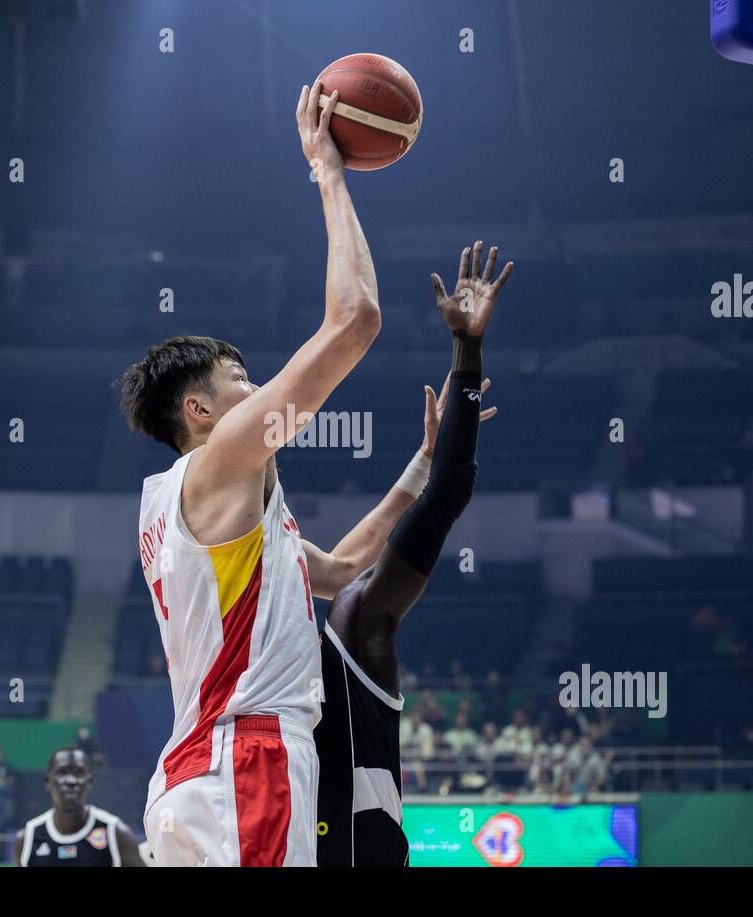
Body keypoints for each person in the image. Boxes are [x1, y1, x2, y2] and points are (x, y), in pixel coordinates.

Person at [121, 79, 402, 868]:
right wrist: (329, 169)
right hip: (249, 762)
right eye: (239, 378)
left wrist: (425, 464)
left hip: (193, 777)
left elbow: (343, 569)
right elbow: (357, 321)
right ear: (200, 414)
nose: (257, 388)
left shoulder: (215, 512)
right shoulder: (226, 457)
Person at [314, 242, 511, 866]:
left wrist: (467, 353)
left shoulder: (351, 627)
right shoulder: (241, 671)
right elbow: (342, 560)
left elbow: (447, 493)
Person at [14, 747, 144, 867]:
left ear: (89, 782)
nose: (71, 780)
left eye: (79, 773)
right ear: (48, 782)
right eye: (62, 773)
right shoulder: (27, 839)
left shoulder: (116, 833)